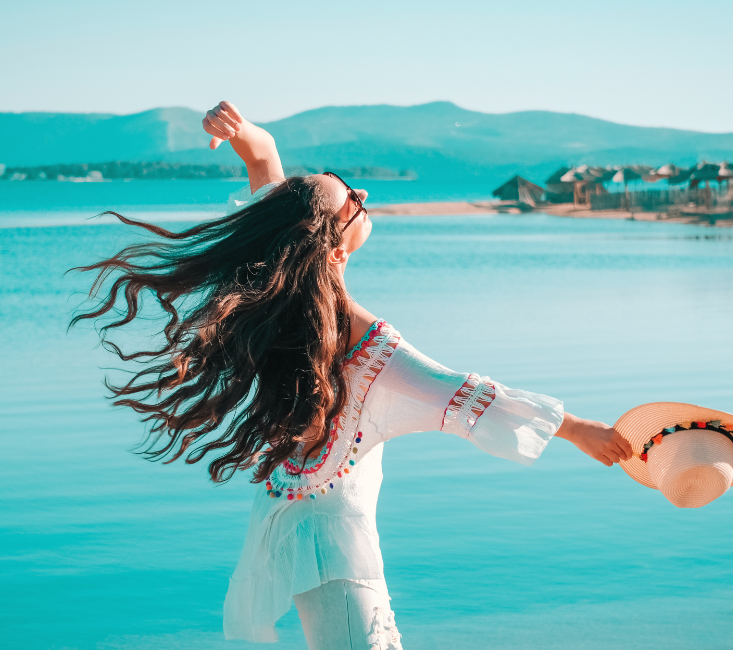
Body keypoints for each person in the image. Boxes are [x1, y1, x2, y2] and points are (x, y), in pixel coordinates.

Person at [71, 101, 635, 650]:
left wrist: (248, 135)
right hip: (339, 553)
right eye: (348, 197)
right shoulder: (370, 345)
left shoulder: (288, 301)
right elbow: (467, 395)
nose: (361, 195)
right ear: (334, 250)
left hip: (299, 527)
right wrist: (578, 428)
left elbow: (270, 180)